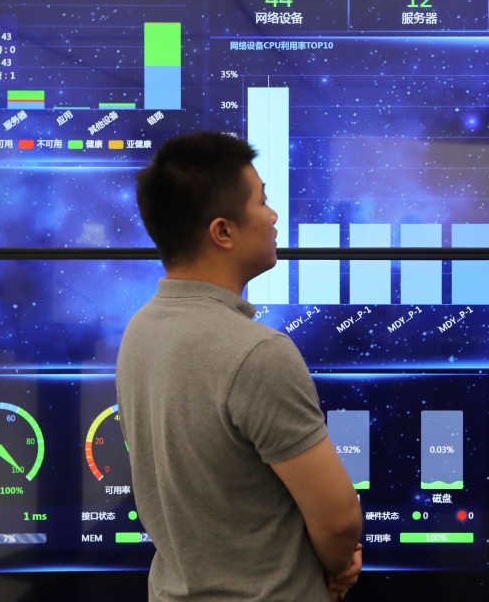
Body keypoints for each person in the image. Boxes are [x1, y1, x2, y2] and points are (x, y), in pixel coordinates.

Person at [116, 131, 363, 601]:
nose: (273, 217)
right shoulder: (258, 353)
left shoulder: (139, 330)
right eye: (263, 202)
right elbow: (338, 521)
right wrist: (335, 570)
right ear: (223, 231)